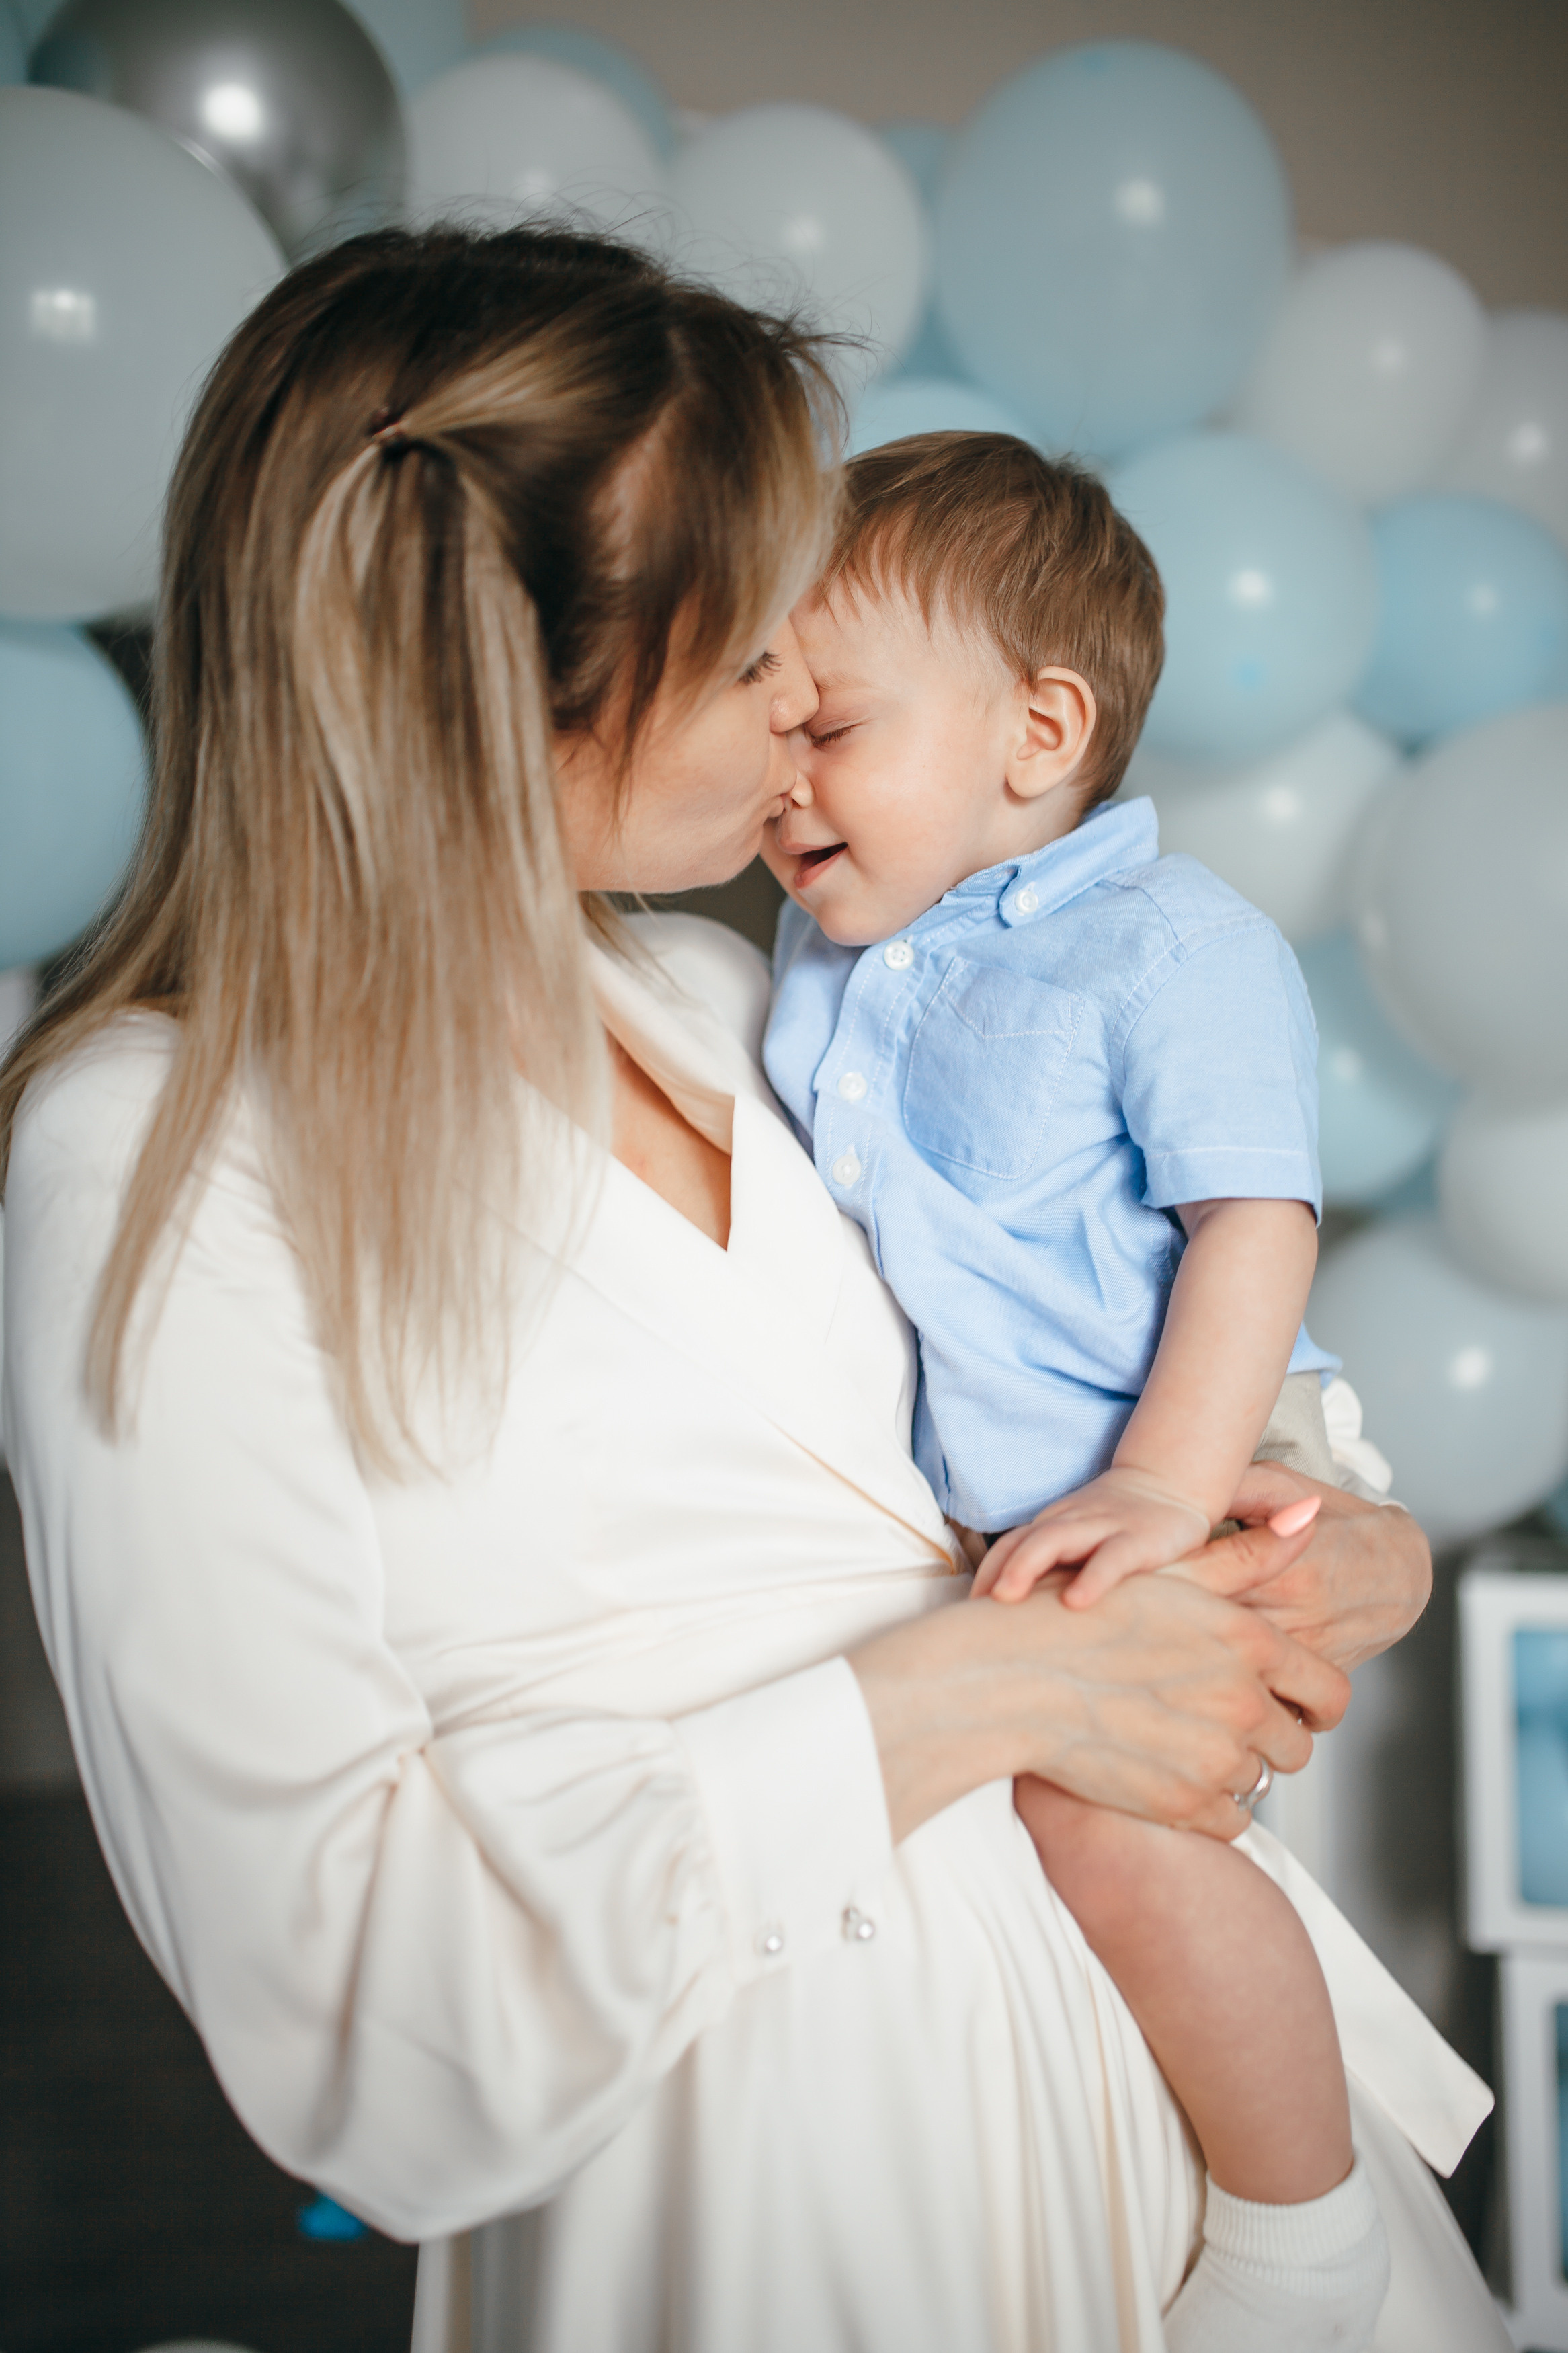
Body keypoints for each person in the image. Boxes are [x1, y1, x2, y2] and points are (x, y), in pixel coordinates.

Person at [0, 227, 1500, 2353]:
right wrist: (996, 1692)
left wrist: (1337, 1544)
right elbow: (353, 2016)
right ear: (504, 686)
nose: (800, 703)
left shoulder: (749, 996)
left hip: (1167, 2109)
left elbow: (1068, 1349)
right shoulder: (152, 1154)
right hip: (771, 2207)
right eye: (746, 664)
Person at [761, 432, 1377, 2348]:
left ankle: (1310, 2227)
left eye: (830, 726)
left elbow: (1253, 1229)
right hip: (1046, 1490)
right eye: (763, 725)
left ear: (1039, 732)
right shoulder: (833, 943)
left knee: (1117, 1824)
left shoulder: (1170, 943)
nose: (783, 781)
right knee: (1051, 1832)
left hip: (1219, 1435)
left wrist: (1169, 1486)